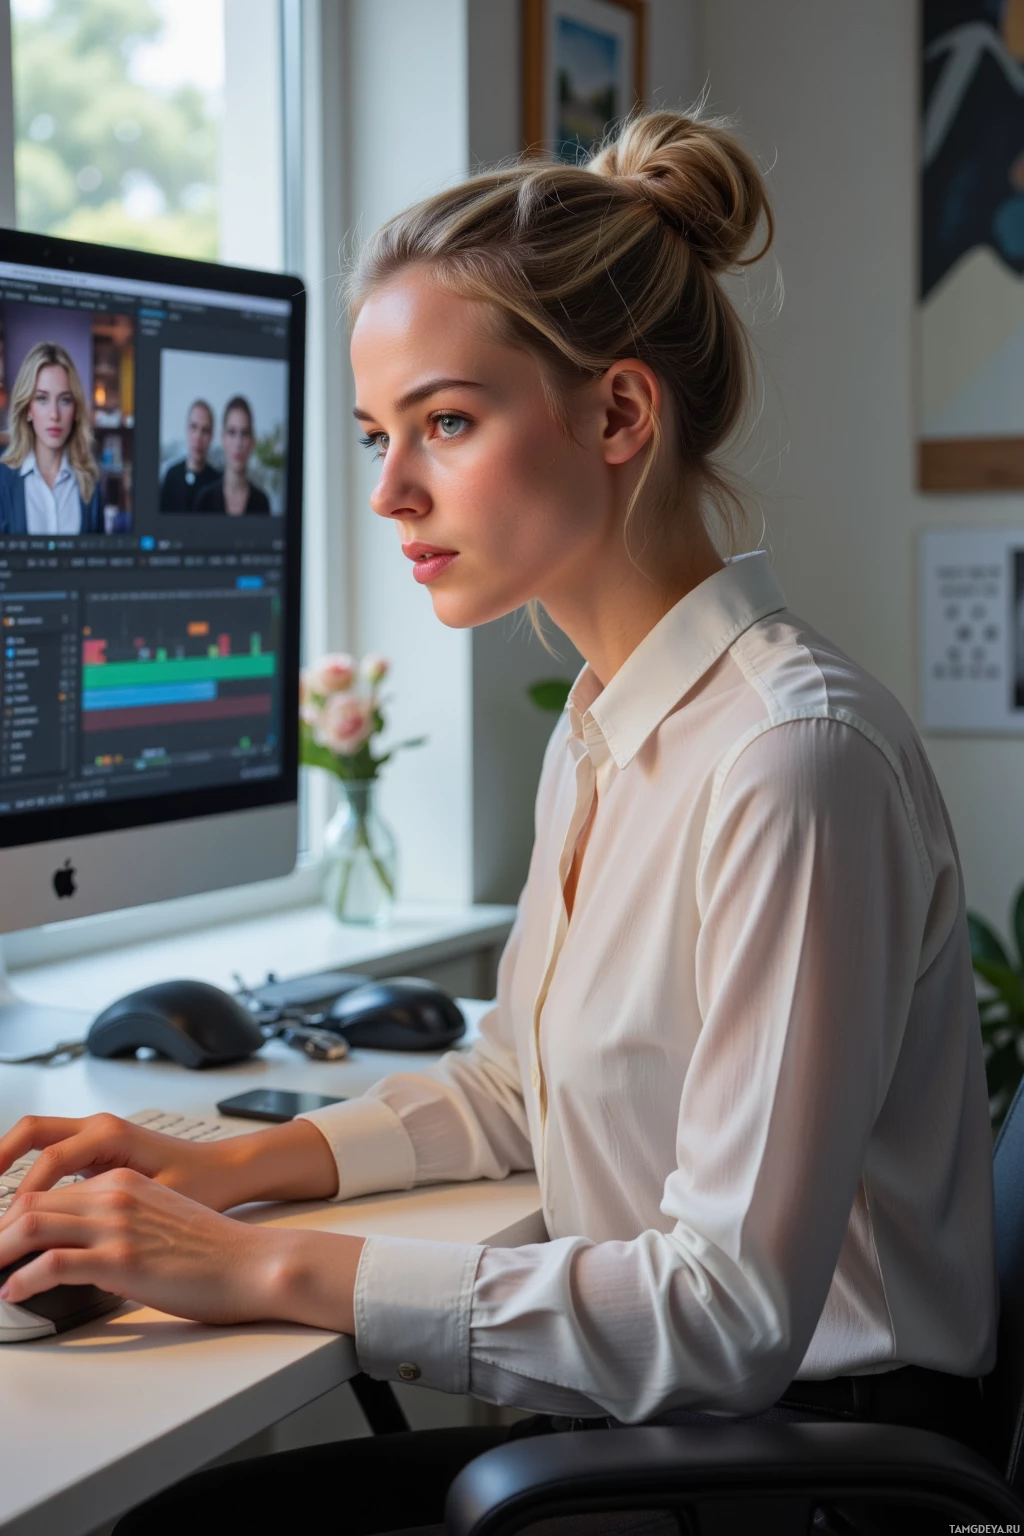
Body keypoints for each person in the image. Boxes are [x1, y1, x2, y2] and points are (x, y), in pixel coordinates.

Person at [0, 110, 998, 1534]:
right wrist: (216, 1169)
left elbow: (724, 1315)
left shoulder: (791, 761)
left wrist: (249, 1266)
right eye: (375, 435)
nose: (392, 492)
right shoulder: (604, 723)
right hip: (675, 1431)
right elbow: (525, 1085)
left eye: (446, 423)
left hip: (804, 1470)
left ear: (618, 416)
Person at [0, 341, 103, 535]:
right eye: (42, 399)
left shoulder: (90, 482)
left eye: (65, 400)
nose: (54, 414)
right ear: (28, 409)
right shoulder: (2, 480)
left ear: (76, 411)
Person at [193, 394, 270, 514]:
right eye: (232, 432)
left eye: (244, 433)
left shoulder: (261, 502)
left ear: (252, 442)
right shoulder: (205, 500)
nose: (238, 443)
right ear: (223, 438)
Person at [159, 398, 220, 512]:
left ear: (211, 436)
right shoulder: (171, 476)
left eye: (205, 430)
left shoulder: (218, 483)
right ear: (186, 429)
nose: (198, 437)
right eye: (194, 427)